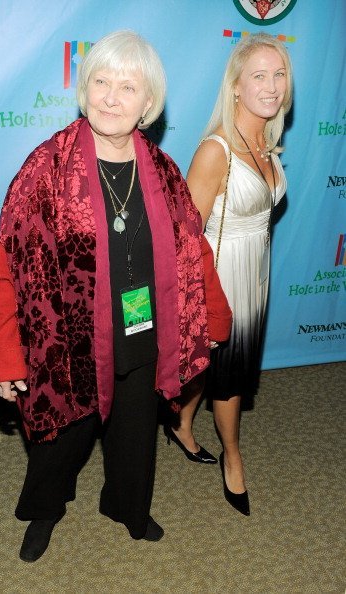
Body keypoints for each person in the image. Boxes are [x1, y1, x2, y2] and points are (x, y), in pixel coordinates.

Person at [0, 30, 230, 562]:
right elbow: (7, 262)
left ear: (149, 103)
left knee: (137, 432)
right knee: (61, 439)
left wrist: (213, 314)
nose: (112, 97)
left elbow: (191, 248)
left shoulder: (161, 170)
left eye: (128, 86)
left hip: (142, 332)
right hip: (68, 343)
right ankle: (44, 510)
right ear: (85, 89)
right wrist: (3, 354)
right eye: (101, 81)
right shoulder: (46, 168)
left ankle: (127, 507)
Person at [167, 33, 292, 516]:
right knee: (229, 377)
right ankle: (233, 458)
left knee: (214, 365)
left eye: (279, 74)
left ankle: (179, 423)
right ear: (236, 87)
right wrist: (199, 299)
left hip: (255, 273)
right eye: (259, 75)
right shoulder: (216, 150)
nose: (272, 85)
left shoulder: (264, 139)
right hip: (219, 279)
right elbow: (186, 238)